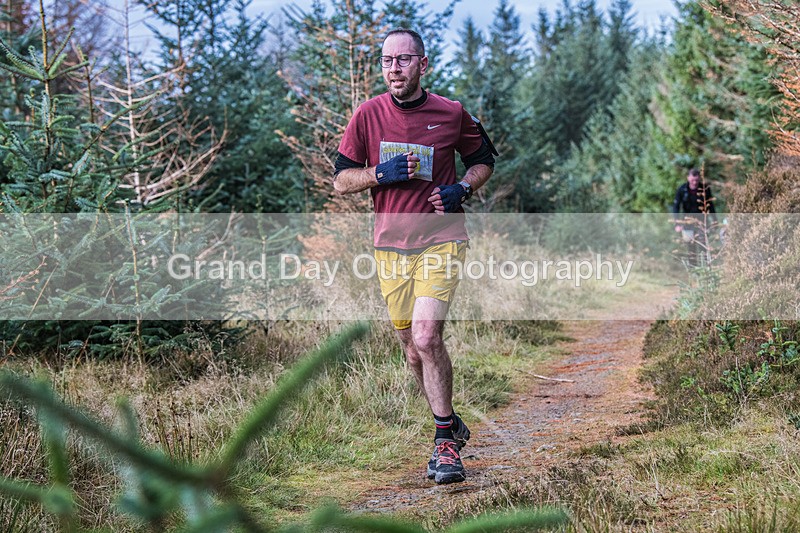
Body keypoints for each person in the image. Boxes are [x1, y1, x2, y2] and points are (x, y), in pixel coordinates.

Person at [332, 28, 495, 484]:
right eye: (387, 61)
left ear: (423, 64)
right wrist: (378, 174)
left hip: (442, 239)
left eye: (404, 60)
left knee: (426, 337)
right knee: (411, 351)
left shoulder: (451, 112)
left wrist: (461, 188)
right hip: (390, 248)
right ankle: (450, 424)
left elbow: (484, 161)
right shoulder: (367, 115)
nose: (394, 68)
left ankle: (445, 446)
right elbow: (341, 181)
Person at [673, 168, 716, 267]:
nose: (695, 182)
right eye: (692, 180)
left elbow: (711, 206)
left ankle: (706, 268)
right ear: (688, 178)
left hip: (701, 222)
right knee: (690, 246)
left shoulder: (705, 189)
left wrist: (714, 221)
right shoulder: (682, 189)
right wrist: (677, 223)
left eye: (696, 180)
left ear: (699, 179)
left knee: (703, 245)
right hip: (687, 222)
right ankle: (693, 269)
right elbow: (676, 207)